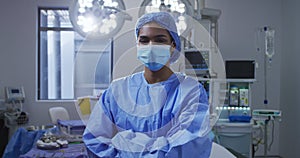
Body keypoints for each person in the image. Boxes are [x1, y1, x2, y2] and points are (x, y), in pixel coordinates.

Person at [83, 11, 213, 157]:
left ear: (173, 45)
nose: (151, 46)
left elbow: (187, 146)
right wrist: (159, 144)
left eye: (160, 40)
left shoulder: (191, 91)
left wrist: (124, 141)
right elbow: (94, 141)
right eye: (144, 40)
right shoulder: (117, 90)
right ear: (137, 44)